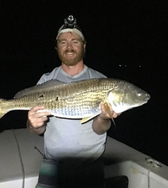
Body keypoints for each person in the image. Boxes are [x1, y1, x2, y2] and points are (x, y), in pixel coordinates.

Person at [27, 15, 120, 188]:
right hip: (52, 165)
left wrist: (105, 117)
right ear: (56, 48)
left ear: (84, 46)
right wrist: (33, 124)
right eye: (63, 42)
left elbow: (99, 129)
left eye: (75, 41)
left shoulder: (101, 81)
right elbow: (38, 129)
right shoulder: (46, 80)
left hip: (91, 166)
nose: (69, 46)